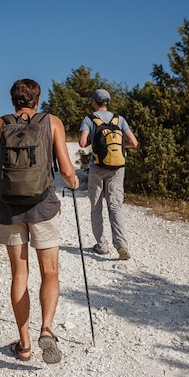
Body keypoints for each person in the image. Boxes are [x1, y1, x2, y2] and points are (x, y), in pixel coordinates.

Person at [0, 78, 79, 364]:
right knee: (50, 273)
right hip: (43, 207)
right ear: (38, 100)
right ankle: (46, 329)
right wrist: (73, 182)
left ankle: (25, 344)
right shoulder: (52, 122)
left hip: (10, 210)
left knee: (20, 274)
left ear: (12, 101)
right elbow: (67, 171)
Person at [78, 88, 138, 260]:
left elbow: (82, 143)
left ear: (94, 102)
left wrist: (95, 143)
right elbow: (133, 142)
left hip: (97, 167)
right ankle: (122, 245)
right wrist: (118, 147)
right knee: (115, 206)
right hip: (118, 168)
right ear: (107, 102)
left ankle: (102, 245)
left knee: (96, 206)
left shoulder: (89, 119)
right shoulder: (120, 119)